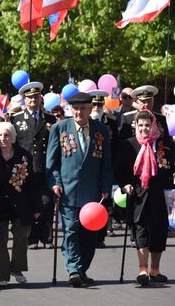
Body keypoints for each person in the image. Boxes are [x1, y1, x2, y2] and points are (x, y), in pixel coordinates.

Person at [46, 92, 113, 287]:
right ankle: (74, 270)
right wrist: (55, 182)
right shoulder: (60, 128)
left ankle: (82, 270)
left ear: (90, 108)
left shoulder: (100, 130)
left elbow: (106, 163)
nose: (79, 112)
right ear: (70, 109)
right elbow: (52, 162)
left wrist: (106, 186)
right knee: (71, 231)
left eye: (83, 108)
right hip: (68, 191)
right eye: (75, 108)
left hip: (93, 193)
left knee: (89, 236)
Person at [0, 122, 39, 286]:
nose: (4, 138)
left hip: (19, 202)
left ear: (13, 137)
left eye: (8, 135)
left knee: (22, 232)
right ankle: (1, 276)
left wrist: (37, 206)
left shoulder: (23, 155)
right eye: (1, 135)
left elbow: (31, 182)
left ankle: (16, 268)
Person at [115, 110, 173, 286]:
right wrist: (125, 185)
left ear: (154, 125)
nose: (144, 128)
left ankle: (155, 271)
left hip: (159, 194)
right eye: (140, 125)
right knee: (141, 231)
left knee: (159, 231)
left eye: (147, 125)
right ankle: (142, 270)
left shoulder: (165, 144)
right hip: (138, 194)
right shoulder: (128, 145)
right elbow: (119, 170)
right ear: (135, 126)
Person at [12, 82, 56, 250]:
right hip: (25, 168)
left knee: (46, 203)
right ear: (25, 100)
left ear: (40, 99)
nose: (33, 100)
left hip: (45, 167)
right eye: (29, 97)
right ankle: (31, 238)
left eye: (36, 97)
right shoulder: (17, 119)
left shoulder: (50, 119)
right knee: (28, 203)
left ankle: (46, 236)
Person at [89, 90, 119, 247]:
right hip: (90, 167)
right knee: (89, 202)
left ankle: (100, 237)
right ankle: (89, 236)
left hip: (106, 166)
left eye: (99, 104)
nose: (96, 107)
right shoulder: (85, 121)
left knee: (104, 202)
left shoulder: (111, 122)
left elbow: (116, 147)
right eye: (94, 104)